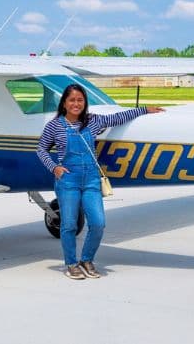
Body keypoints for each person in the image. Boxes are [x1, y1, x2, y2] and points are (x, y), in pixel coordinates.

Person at [36, 83, 164, 279]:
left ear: (85, 102)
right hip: (68, 181)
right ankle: (71, 264)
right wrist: (54, 168)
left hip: (91, 180)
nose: (76, 104)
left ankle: (86, 260)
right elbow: (41, 149)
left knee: (98, 223)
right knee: (69, 225)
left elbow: (117, 118)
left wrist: (144, 110)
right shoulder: (54, 126)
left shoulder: (93, 121)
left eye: (80, 100)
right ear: (64, 103)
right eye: (72, 100)